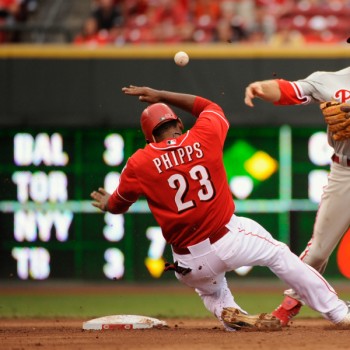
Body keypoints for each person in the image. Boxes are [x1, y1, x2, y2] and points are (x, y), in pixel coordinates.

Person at [91, 85, 350, 331]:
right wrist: (160, 95)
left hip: (187, 263)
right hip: (227, 239)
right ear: (179, 124)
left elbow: (118, 205)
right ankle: (339, 312)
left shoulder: (139, 162)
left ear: (149, 138)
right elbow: (207, 106)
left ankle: (230, 315)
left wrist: (107, 203)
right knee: (279, 255)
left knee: (210, 290)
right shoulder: (204, 135)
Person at [244, 66, 350, 326]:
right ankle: (288, 307)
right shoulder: (328, 80)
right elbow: (289, 90)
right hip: (345, 171)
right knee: (318, 250)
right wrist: (261, 87)